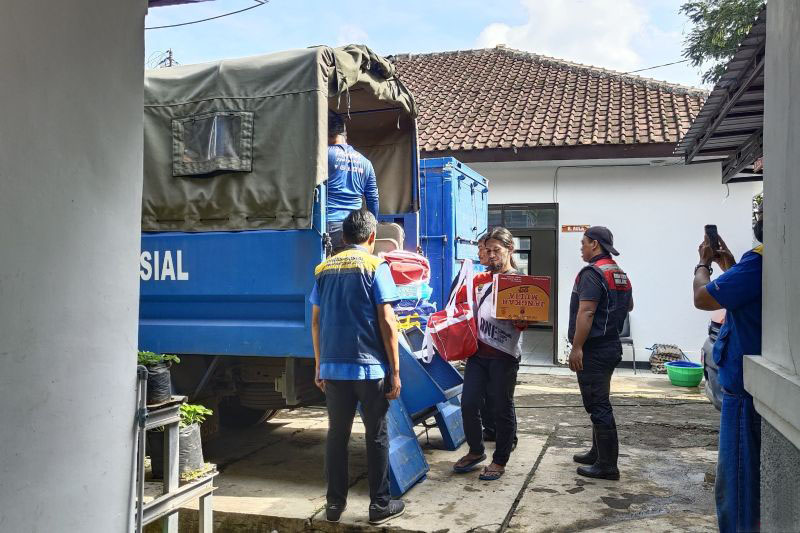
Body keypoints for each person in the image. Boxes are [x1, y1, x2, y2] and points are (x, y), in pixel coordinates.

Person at [310, 208, 405, 525]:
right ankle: (379, 505)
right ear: (372, 237)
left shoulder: (323, 269)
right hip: (370, 369)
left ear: (344, 238)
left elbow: (315, 321)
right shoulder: (376, 265)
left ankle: (334, 505)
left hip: (333, 369)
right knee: (376, 436)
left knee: (337, 436)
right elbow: (388, 322)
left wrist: (319, 364)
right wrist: (396, 370)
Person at [693, 205, 763, 533]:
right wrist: (729, 265)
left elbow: (702, 298)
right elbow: (746, 296)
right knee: (744, 476)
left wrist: (703, 263)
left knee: (736, 480)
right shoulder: (762, 261)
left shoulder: (761, 261)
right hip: (748, 381)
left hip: (743, 389)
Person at [452, 227, 530, 481]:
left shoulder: (521, 283)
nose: (492, 255)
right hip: (477, 352)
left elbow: (523, 324)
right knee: (469, 403)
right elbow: (461, 303)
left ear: (510, 250)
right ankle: (476, 451)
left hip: (504, 355)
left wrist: (520, 315)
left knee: (501, 407)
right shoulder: (480, 279)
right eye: (488, 251)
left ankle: (500, 460)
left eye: (497, 250)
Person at [568, 226, 633, 481]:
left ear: (594, 244)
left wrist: (577, 347)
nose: (581, 247)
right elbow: (629, 305)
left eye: (583, 243)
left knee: (598, 404)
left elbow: (586, 312)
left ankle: (607, 465)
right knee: (599, 400)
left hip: (595, 348)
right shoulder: (618, 272)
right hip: (611, 344)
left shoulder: (592, 273)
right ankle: (597, 453)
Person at [326, 111, 380, 253]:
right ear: (345, 135)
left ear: (327, 134)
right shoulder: (366, 163)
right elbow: (373, 200)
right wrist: (372, 226)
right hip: (355, 229)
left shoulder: (324, 155)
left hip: (329, 225)